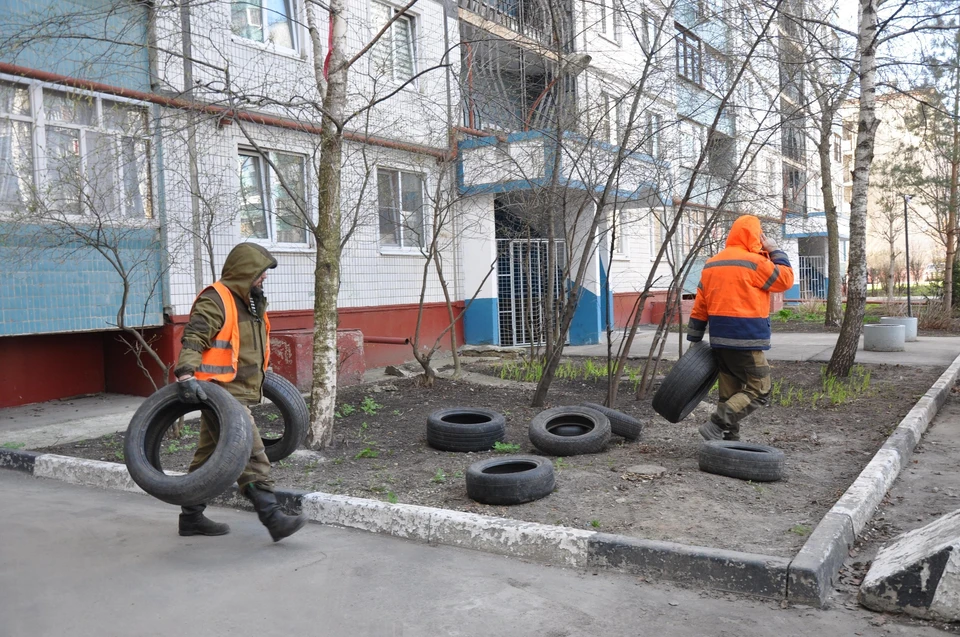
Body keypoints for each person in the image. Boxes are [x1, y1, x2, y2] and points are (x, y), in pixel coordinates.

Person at [173, 243, 306, 542]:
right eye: (260, 273)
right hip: (220, 394)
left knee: (209, 457)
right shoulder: (216, 299)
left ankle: (191, 518)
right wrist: (185, 373)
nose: (264, 279)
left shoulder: (252, 302)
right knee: (250, 451)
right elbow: (194, 337)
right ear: (246, 272)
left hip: (239, 389)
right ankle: (273, 518)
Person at [686, 215, 794, 442]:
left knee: (730, 391)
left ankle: (727, 440)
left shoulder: (712, 264)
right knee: (759, 389)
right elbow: (785, 280)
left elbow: (700, 305)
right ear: (755, 236)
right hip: (747, 340)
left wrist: (695, 338)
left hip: (719, 341)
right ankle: (717, 423)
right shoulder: (755, 263)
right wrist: (775, 250)